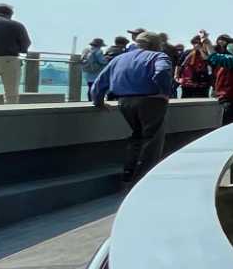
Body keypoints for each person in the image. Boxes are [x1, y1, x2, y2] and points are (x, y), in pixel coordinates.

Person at [89, 32, 175, 181]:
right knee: (152, 140)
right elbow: (161, 72)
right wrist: (165, 93)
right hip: (151, 101)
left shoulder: (119, 59)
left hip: (124, 102)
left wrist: (98, 101)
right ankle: (144, 178)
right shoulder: (158, 56)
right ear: (155, 45)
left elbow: (100, 83)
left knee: (137, 137)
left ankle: (129, 173)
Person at [177, 34, 214, 98]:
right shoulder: (187, 52)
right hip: (187, 83)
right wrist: (176, 76)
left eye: (198, 43)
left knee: (202, 101)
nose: (196, 45)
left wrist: (200, 50)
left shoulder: (207, 52)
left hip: (203, 82)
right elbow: (179, 64)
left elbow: (206, 59)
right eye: (194, 43)